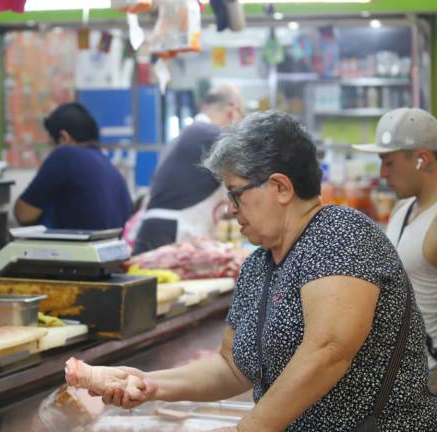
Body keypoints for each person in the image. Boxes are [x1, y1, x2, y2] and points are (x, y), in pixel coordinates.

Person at [76, 111, 437, 431]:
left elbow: (328, 350)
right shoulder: (260, 264)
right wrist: (149, 385)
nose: (231, 209)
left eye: (236, 193)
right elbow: (232, 367)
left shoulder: (340, 234)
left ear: (280, 187)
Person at [353, 107, 437, 393]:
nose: (382, 173)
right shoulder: (402, 209)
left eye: (388, 162)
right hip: (404, 378)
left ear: (421, 159)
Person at [132, 84, 244, 255]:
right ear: (232, 111)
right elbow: (248, 175)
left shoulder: (190, 133)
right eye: (242, 116)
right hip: (171, 234)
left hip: (160, 230)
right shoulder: (209, 134)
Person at [13, 102, 133, 230]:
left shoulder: (65, 155)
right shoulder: (110, 168)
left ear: (64, 138)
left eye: (52, 144)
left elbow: (23, 214)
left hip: (73, 248)